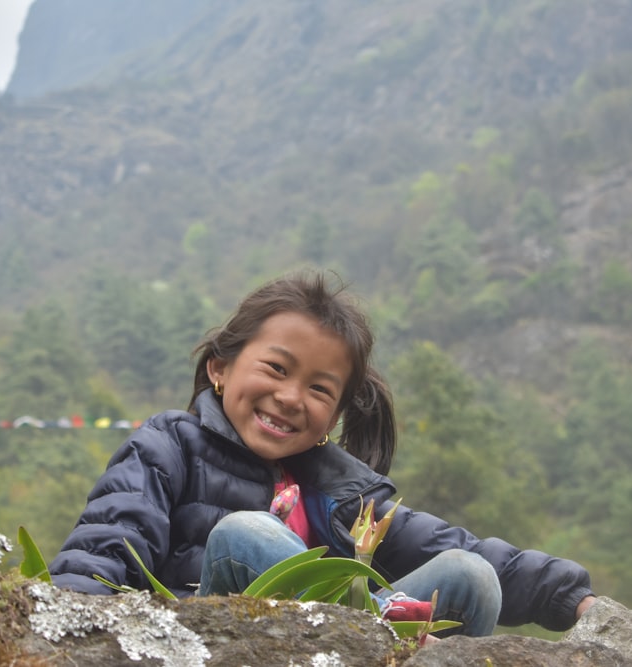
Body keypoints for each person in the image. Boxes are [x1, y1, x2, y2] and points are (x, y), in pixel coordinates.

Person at [49, 271, 596, 636]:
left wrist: (571, 599)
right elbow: (105, 545)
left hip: (341, 639)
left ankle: (365, 630)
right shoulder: (169, 445)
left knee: (468, 575)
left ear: (333, 417)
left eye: (318, 389)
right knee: (247, 535)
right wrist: (68, 630)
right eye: (276, 368)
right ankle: (359, 628)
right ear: (220, 368)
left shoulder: (343, 496)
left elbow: (458, 546)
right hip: (216, 641)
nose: (290, 398)